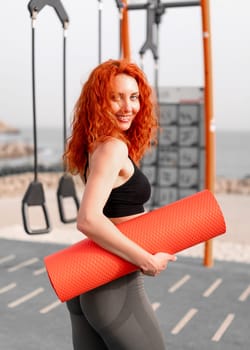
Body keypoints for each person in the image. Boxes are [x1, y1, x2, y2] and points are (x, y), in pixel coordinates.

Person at [64, 58, 176, 350]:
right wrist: (146, 260)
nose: (128, 107)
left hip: (92, 282)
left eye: (134, 97)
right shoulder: (112, 148)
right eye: (116, 98)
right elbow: (88, 219)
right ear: (99, 102)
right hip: (112, 285)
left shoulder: (98, 144)